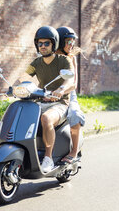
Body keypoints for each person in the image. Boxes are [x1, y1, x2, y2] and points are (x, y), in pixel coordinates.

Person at [15, 26, 74, 173]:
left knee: (46, 119)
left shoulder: (64, 61)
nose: (42, 46)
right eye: (40, 43)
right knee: (21, 115)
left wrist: (60, 90)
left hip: (60, 103)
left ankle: (48, 158)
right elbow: (24, 76)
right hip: (41, 101)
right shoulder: (36, 62)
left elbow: (70, 81)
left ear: (53, 44)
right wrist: (17, 88)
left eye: (46, 43)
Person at [56, 26, 85, 164]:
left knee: (75, 114)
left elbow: (73, 84)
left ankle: (73, 152)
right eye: (68, 41)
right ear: (60, 42)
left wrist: (61, 90)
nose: (71, 44)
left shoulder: (71, 59)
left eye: (73, 41)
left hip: (68, 95)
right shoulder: (48, 57)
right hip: (47, 95)